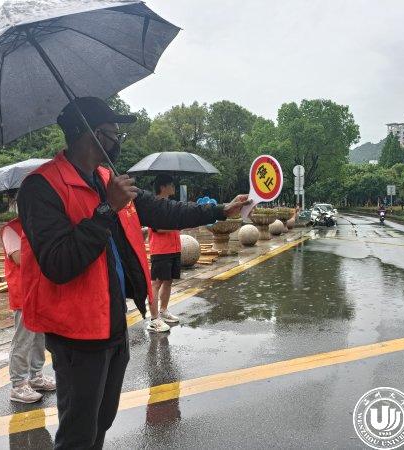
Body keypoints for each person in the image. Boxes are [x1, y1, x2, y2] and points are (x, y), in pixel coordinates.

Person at [17, 97, 249, 450]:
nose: (118, 141)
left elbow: (163, 211)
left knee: (102, 420)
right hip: (77, 332)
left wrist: (219, 210)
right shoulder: (42, 186)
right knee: (78, 433)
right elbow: (59, 262)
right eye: (114, 133)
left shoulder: (107, 178)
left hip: (113, 320)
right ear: (95, 135)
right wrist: (107, 208)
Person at [2, 217, 56, 403]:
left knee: (38, 337)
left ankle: (36, 376)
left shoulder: (36, 224)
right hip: (23, 294)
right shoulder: (11, 229)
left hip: (38, 291)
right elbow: (20, 258)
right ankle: (18, 385)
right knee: (23, 339)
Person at [147, 174, 181, 333]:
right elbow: (157, 228)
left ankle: (164, 311)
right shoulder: (154, 205)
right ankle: (154, 319)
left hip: (174, 248)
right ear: (162, 187)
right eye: (171, 184)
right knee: (156, 283)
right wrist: (177, 225)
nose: (174, 187)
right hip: (161, 250)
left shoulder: (170, 204)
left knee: (168, 281)